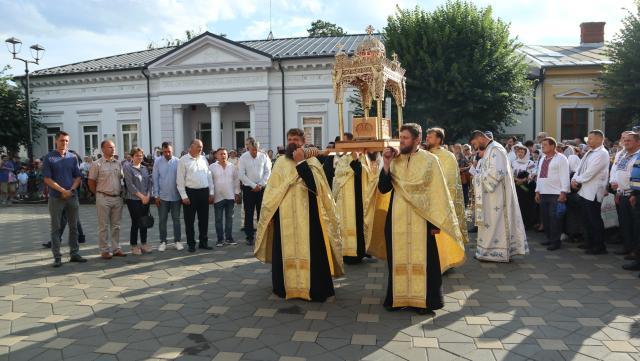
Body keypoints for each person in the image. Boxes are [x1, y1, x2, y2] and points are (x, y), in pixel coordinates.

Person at [370, 123, 464, 314]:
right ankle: (399, 298)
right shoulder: (394, 160)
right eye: (400, 137)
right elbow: (383, 188)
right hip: (396, 220)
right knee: (398, 260)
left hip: (423, 221)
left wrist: (434, 224)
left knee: (426, 263)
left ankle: (424, 302)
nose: (401, 141)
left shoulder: (430, 161)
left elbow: (437, 194)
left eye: (405, 138)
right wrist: (386, 164)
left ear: (417, 140)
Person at [255, 128, 343, 302]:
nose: (292, 142)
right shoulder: (280, 162)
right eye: (289, 139)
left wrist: (301, 163)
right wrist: (270, 212)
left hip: (309, 215)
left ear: (303, 141)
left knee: (314, 252)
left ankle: (318, 290)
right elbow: (272, 190)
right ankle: (283, 288)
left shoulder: (312, 161)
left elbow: (316, 188)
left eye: (295, 139)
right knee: (282, 252)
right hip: (284, 215)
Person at [469, 130, 528, 262]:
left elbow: (495, 174)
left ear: (480, 138)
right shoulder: (490, 149)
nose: (475, 148)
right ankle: (486, 251)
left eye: (475, 144)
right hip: (490, 195)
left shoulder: (496, 149)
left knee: (496, 223)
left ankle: (497, 252)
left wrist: (476, 178)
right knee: (490, 223)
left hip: (498, 196)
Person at [42, 131, 87, 267]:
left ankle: (74, 253)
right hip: (56, 197)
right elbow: (47, 179)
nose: (64, 143)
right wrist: (62, 191)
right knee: (56, 228)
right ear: (56, 141)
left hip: (71, 196)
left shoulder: (72, 157)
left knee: (73, 227)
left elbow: (78, 176)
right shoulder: (49, 158)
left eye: (67, 141)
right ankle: (57, 257)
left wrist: (71, 190)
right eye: (62, 140)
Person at [333, 150, 379, 264]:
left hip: (362, 196)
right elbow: (338, 175)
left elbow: (370, 176)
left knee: (362, 222)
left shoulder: (368, 157)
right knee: (349, 224)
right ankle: (349, 254)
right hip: (347, 199)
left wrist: (356, 162)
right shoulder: (344, 158)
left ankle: (365, 250)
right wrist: (353, 163)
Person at [425, 128, 469, 245]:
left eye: (431, 136)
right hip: (425, 200)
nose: (427, 138)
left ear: (439, 139)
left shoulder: (448, 156)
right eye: (427, 136)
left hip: (441, 199)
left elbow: (450, 181)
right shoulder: (423, 154)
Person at [571, 130, 610, 255]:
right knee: (586, 218)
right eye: (589, 139)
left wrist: (578, 180)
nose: (588, 141)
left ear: (600, 139)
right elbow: (580, 168)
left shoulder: (602, 153)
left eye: (591, 139)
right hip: (584, 190)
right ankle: (589, 242)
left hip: (593, 191)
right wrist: (574, 179)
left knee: (594, 219)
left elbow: (591, 172)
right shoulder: (590, 151)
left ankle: (599, 246)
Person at [89, 139, 127, 259]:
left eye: (113, 147)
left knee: (116, 225)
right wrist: (98, 194)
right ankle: (104, 250)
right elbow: (91, 182)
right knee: (103, 226)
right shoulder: (97, 164)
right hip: (103, 197)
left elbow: (122, 178)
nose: (113, 149)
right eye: (110, 147)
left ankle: (116, 249)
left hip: (117, 198)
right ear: (103, 149)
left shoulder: (118, 163)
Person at [177, 139, 214, 252]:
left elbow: (209, 176)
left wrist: (211, 192)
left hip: (204, 192)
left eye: (201, 146)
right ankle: (191, 244)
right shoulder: (183, 160)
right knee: (189, 221)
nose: (201, 148)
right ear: (191, 147)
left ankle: (203, 242)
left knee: (204, 220)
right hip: (190, 193)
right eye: (198, 146)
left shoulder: (203, 159)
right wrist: (184, 196)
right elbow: (180, 180)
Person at [534, 137, 570, 251]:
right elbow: (539, 176)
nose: (542, 146)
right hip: (543, 192)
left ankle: (556, 241)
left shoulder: (561, 158)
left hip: (556, 193)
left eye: (545, 144)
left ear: (553, 146)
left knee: (555, 218)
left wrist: (563, 192)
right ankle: (550, 238)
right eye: (541, 145)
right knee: (546, 218)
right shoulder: (542, 158)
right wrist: (537, 191)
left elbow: (565, 176)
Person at [609, 132, 640, 256]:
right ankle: (627, 247)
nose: (626, 142)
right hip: (622, 193)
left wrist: (634, 193)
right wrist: (617, 190)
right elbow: (617, 171)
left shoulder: (638, 155)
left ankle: (635, 251)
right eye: (625, 140)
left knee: (635, 225)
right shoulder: (624, 155)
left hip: (633, 194)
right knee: (625, 223)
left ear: (638, 142)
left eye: (629, 141)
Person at [238, 137, 271, 245]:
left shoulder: (263, 156)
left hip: (261, 188)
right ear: (248, 148)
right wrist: (253, 185)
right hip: (249, 189)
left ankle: (262, 235)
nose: (255, 152)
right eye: (252, 149)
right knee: (249, 213)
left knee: (262, 212)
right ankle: (249, 236)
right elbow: (241, 175)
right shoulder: (243, 157)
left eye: (256, 149)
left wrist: (261, 184)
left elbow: (267, 171)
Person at [153, 142, 184, 252]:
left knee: (177, 220)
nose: (167, 153)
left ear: (172, 150)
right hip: (162, 197)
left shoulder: (178, 161)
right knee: (162, 220)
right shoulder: (157, 162)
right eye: (165, 152)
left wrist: (182, 195)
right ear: (162, 151)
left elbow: (181, 179)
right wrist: (156, 195)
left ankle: (177, 241)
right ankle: (163, 241)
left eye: (169, 151)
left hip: (176, 197)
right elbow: (155, 179)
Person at [123, 147, 153, 255]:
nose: (139, 157)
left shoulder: (145, 168)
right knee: (136, 222)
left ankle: (144, 244)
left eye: (141, 155)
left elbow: (150, 183)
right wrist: (142, 197)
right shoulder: (127, 167)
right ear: (132, 156)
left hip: (146, 199)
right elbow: (130, 185)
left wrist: (148, 196)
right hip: (134, 199)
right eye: (137, 155)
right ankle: (134, 246)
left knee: (144, 221)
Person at [210, 148, 241, 247]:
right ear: (216, 156)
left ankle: (229, 238)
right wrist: (211, 194)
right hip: (218, 197)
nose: (223, 156)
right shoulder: (212, 167)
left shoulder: (232, 167)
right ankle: (220, 239)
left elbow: (236, 180)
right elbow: (210, 182)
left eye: (225, 154)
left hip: (230, 196)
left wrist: (237, 193)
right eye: (221, 154)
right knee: (218, 219)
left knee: (229, 218)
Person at [511, 143, 537, 228]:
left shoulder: (530, 163)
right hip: (516, 186)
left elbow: (532, 174)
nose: (520, 153)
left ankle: (526, 223)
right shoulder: (514, 162)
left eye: (522, 152)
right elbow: (510, 173)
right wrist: (516, 180)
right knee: (516, 204)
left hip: (526, 188)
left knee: (526, 205)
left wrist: (523, 180)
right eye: (519, 152)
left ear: (526, 153)